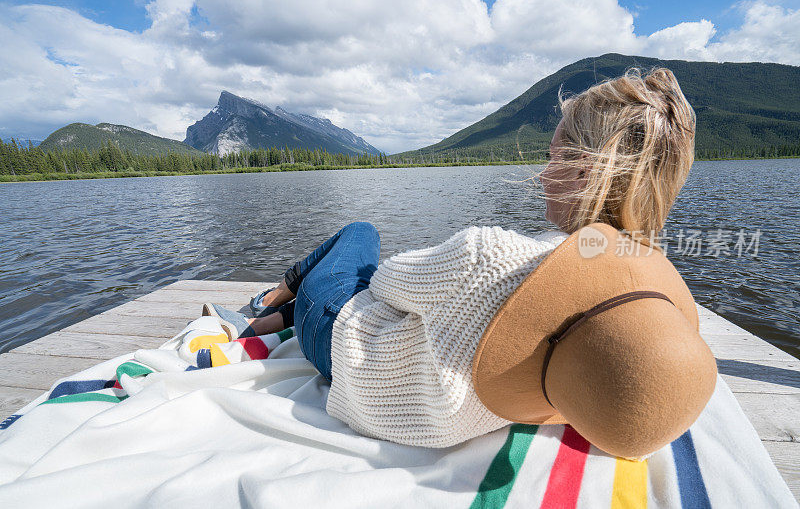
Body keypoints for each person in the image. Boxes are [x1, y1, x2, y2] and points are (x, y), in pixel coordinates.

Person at [203, 67, 701, 450]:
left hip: (345, 351)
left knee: (361, 237)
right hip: (442, 422)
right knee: (379, 285)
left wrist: (439, 275)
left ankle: (276, 299)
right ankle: (274, 315)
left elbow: (383, 285)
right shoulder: (625, 304)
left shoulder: (491, 253)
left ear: (582, 172)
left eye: (553, 158)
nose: (544, 171)